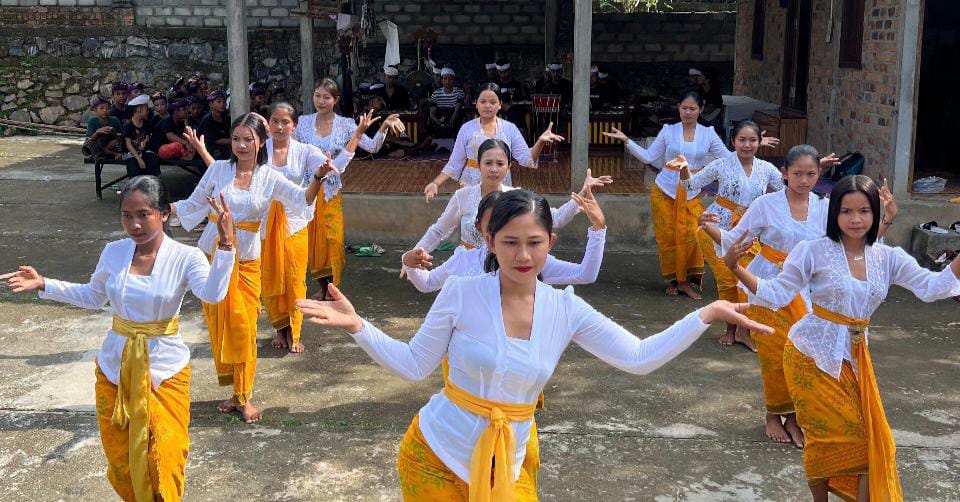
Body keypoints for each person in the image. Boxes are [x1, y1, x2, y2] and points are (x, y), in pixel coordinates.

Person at [296, 188, 772, 501]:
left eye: (534, 242)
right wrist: (360, 326)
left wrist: (705, 313)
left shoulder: (565, 308)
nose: (523, 256)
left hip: (511, 461)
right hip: (435, 455)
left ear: (550, 242)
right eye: (509, 242)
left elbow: (639, 358)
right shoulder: (461, 293)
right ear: (488, 241)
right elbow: (414, 365)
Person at [723, 174, 957, 502]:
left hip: (854, 359)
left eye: (864, 211)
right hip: (809, 355)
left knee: (869, 441)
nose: (856, 219)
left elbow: (934, 287)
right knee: (823, 438)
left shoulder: (887, 258)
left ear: (876, 213)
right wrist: (734, 267)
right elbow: (775, 294)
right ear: (834, 214)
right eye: (846, 211)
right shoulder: (813, 251)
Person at [1, 176, 235, 502]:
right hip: (115, 366)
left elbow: (213, 294)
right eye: (127, 215)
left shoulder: (187, 257)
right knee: (121, 458)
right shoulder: (113, 252)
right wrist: (44, 284)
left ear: (164, 213)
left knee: (166, 457)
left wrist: (225, 248)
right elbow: (93, 296)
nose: (134, 224)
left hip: (164, 370)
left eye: (143, 214)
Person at [169, 113, 330, 423]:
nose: (241, 145)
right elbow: (191, 205)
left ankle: (245, 396)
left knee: (244, 327)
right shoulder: (218, 170)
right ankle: (235, 393)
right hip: (213, 258)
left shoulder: (269, 176)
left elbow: (302, 199)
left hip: (247, 263)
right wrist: (162, 207)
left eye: (248, 139)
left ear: (260, 143)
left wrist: (318, 176)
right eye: (236, 138)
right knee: (221, 329)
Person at [699, 145, 845, 448]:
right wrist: (708, 227)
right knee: (775, 354)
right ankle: (773, 414)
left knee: (803, 355)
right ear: (785, 174)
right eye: (797, 174)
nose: (804, 180)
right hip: (767, 283)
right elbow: (737, 239)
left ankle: (795, 418)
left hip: (808, 289)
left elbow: (844, 244)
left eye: (811, 174)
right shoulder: (767, 204)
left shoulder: (825, 208)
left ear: (820, 174)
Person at [602, 91, 778, 301]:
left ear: (700, 110)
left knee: (693, 237)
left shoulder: (709, 133)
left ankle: (687, 281)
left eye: (692, 109)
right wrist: (627, 141)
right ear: (678, 108)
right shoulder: (668, 130)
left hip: (692, 191)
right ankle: (675, 281)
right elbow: (649, 156)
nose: (687, 112)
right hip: (665, 190)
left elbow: (729, 157)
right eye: (684, 108)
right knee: (668, 238)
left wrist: (752, 142)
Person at [679, 120, 784, 350]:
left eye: (752, 140)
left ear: (759, 142)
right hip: (716, 229)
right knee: (727, 281)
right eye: (742, 140)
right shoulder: (721, 165)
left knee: (747, 282)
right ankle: (731, 329)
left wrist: (817, 169)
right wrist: (684, 168)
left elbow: (788, 191)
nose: (747, 145)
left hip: (748, 233)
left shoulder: (767, 169)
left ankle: (744, 331)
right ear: (733, 141)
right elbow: (690, 185)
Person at [293, 78, 404, 294]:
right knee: (315, 243)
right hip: (308, 190)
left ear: (335, 100)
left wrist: (382, 126)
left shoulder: (345, 124)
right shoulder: (303, 122)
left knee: (333, 241)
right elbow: (292, 150)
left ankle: (333, 289)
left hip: (332, 192)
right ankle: (322, 288)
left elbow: (372, 147)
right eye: (317, 96)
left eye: (326, 97)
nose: (321, 101)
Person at [408, 139, 605, 260]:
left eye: (500, 163)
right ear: (479, 165)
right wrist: (414, 256)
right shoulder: (463, 196)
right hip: (466, 270)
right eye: (488, 163)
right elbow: (439, 230)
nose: (494, 168)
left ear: (508, 167)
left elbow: (556, 218)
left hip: (504, 272)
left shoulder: (516, 196)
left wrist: (581, 195)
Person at [403, 188, 607, 293]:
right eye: (494, 224)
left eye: (507, 223)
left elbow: (585, 274)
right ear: (483, 232)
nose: (521, 255)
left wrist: (598, 228)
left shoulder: (531, 260)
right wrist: (408, 261)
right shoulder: (465, 259)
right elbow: (428, 283)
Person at [423, 84, 565, 198]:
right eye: (483, 101)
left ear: (499, 105)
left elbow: (526, 159)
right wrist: (435, 183)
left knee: (499, 225)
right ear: (476, 104)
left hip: (500, 183)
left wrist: (540, 141)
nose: (487, 106)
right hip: (471, 184)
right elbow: (455, 163)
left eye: (492, 102)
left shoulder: (509, 129)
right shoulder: (466, 129)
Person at [122, 94, 161, 180]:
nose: (148, 111)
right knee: (133, 165)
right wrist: (139, 159)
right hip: (131, 153)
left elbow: (147, 138)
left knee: (152, 160)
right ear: (139, 109)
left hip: (143, 150)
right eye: (146, 109)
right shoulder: (128, 125)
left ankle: (151, 182)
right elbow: (128, 145)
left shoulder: (146, 124)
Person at [428, 67, 466, 139]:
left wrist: (450, 123)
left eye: (450, 79)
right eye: (445, 79)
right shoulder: (435, 94)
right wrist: (437, 121)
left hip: (455, 121)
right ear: (441, 81)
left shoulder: (459, 92)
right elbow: (432, 113)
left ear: (454, 80)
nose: (447, 81)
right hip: (440, 119)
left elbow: (457, 110)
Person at [85, 96, 123, 160]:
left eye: (107, 108)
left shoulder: (114, 120)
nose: (105, 110)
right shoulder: (92, 121)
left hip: (110, 145)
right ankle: (101, 155)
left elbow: (121, 135)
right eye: (101, 108)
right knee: (88, 143)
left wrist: (113, 131)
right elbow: (90, 138)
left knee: (119, 141)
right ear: (95, 110)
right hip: (98, 145)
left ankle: (111, 153)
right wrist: (98, 132)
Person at [199, 90, 231, 160]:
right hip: (210, 148)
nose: (222, 104)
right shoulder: (207, 120)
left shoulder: (227, 118)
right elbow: (215, 140)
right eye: (219, 102)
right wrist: (232, 140)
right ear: (211, 104)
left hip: (225, 147)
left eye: (224, 102)